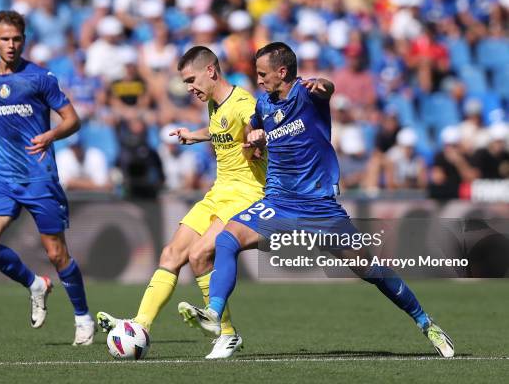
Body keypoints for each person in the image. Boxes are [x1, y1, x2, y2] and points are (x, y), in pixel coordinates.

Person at [178, 42, 455, 358]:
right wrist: (253, 138)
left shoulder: (308, 94)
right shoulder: (263, 105)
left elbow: (327, 89)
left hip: (320, 208)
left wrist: (324, 85)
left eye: (262, 74)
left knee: (371, 270)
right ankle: (214, 314)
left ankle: (425, 322)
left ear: (282, 72)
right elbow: (252, 130)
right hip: (279, 202)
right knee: (228, 239)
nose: (258, 80)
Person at [96, 46, 267, 359]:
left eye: (191, 79)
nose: (189, 87)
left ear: (211, 71)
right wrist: (195, 135)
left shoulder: (244, 103)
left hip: (246, 195)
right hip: (218, 192)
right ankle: (140, 325)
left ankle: (227, 334)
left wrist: (259, 137)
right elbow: (221, 131)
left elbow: (260, 126)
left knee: (199, 254)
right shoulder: (215, 105)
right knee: (171, 253)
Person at [0, 10, 96, 346]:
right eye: (5, 39)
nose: (11, 45)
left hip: (40, 178)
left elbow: (72, 120)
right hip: (3, 177)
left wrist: (50, 136)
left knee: (56, 254)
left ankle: (82, 317)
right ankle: (35, 284)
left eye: (17, 39)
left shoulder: (40, 78)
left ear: (25, 40)